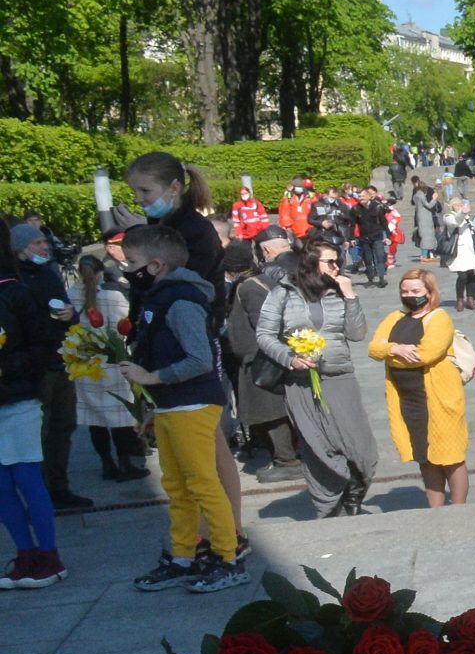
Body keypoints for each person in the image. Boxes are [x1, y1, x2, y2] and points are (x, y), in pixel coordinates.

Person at [120, 224, 248, 593]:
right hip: (171, 405)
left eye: (131, 262)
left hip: (193, 402)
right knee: (176, 485)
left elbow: (200, 359)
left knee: (204, 484)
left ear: (156, 265)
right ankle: (183, 556)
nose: (126, 269)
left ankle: (228, 557)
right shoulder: (159, 297)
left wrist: (152, 377)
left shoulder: (181, 301)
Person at [257, 242, 379, 517]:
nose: (337, 268)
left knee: (362, 448)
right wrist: (289, 357)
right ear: (311, 263)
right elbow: (264, 335)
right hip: (299, 381)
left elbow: (357, 333)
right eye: (330, 262)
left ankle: (354, 492)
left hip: (339, 377)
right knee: (317, 447)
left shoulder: (339, 291)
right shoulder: (283, 294)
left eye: (338, 262)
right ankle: (329, 504)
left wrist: (350, 296)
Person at [370, 266, 469, 507]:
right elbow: (374, 348)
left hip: (438, 397)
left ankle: (458, 508)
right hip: (408, 399)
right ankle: (434, 508)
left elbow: (426, 354)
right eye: (404, 290)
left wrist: (389, 350)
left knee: (450, 456)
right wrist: (398, 349)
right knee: (424, 456)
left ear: (430, 291)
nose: (409, 294)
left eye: (415, 290)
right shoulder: (395, 317)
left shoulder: (439, 318)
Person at [0, 233, 64, 587]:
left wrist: (6, 367)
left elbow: (44, 346)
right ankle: (25, 555)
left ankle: (50, 556)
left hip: (19, 399)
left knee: (25, 477)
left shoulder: (16, 291)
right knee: (1, 486)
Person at [10, 225, 84, 513]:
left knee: (63, 427)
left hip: (60, 360)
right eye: (38, 242)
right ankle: (38, 495)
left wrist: (71, 314)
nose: (45, 247)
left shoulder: (49, 273)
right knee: (38, 432)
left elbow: (67, 309)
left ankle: (60, 487)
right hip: (36, 368)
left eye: (44, 241)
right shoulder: (14, 280)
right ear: (20, 248)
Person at [227, 223, 303, 484]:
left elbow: (264, 324)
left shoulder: (253, 286)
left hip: (262, 358)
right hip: (286, 353)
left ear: (266, 251)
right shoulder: (294, 274)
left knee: (270, 412)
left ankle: (286, 460)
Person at [69, 252, 146, 483]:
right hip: (112, 360)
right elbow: (126, 326)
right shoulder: (113, 297)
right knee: (120, 416)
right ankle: (124, 463)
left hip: (84, 362)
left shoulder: (69, 297)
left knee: (95, 418)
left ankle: (106, 463)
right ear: (101, 273)